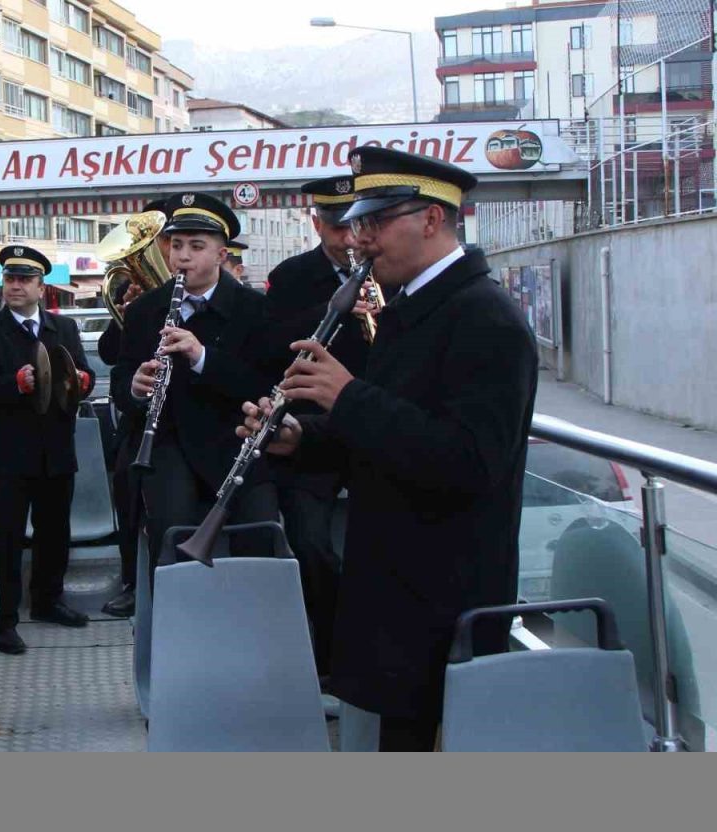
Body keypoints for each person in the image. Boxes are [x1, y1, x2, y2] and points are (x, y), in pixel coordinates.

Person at [239, 146, 538, 751]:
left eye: (376, 222)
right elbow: (386, 436)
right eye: (357, 224)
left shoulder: (485, 319)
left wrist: (346, 397)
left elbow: (467, 461)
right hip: (401, 586)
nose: (360, 240)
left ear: (431, 219)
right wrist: (301, 439)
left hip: (445, 593)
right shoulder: (415, 307)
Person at [112, 192, 281, 571]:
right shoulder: (145, 310)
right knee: (169, 537)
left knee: (259, 536)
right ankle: (173, 622)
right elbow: (122, 377)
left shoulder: (255, 309)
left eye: (196, 246)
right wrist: (136, 389)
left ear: (222, 256)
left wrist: (202, 357)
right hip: (169, 443)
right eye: (176, 245)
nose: (181, 256)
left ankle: (255, 621)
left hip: (236, 442)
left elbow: (263, 384)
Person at [262, 174, 372, 678]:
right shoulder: (291, 276)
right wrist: (343, 312)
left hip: (371, 422)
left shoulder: (384, 271)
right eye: (335, 227)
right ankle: (326, 657)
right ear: (317, 223)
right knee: (312, 545)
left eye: (353, 226)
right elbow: (273, 342)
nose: (347, 239)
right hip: (309, 427)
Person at [0, 246, 95, 654]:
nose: (15, 286)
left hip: (56, 447)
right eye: (10, 279)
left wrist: (83, 381)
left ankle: (47, 601)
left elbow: (83, 374)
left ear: (42, 288)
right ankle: (4, 619)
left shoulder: (65, 330)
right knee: (5, 536)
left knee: (54, 530)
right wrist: (15, 383)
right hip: (9, 452)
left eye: (24, 280)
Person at [97, 199, 173, 618]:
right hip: (140, 417)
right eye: (162, 243)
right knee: (127, 490)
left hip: (184, 416)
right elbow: (112, 354)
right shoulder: (135, 295)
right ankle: (132, 580)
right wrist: (124, 315)